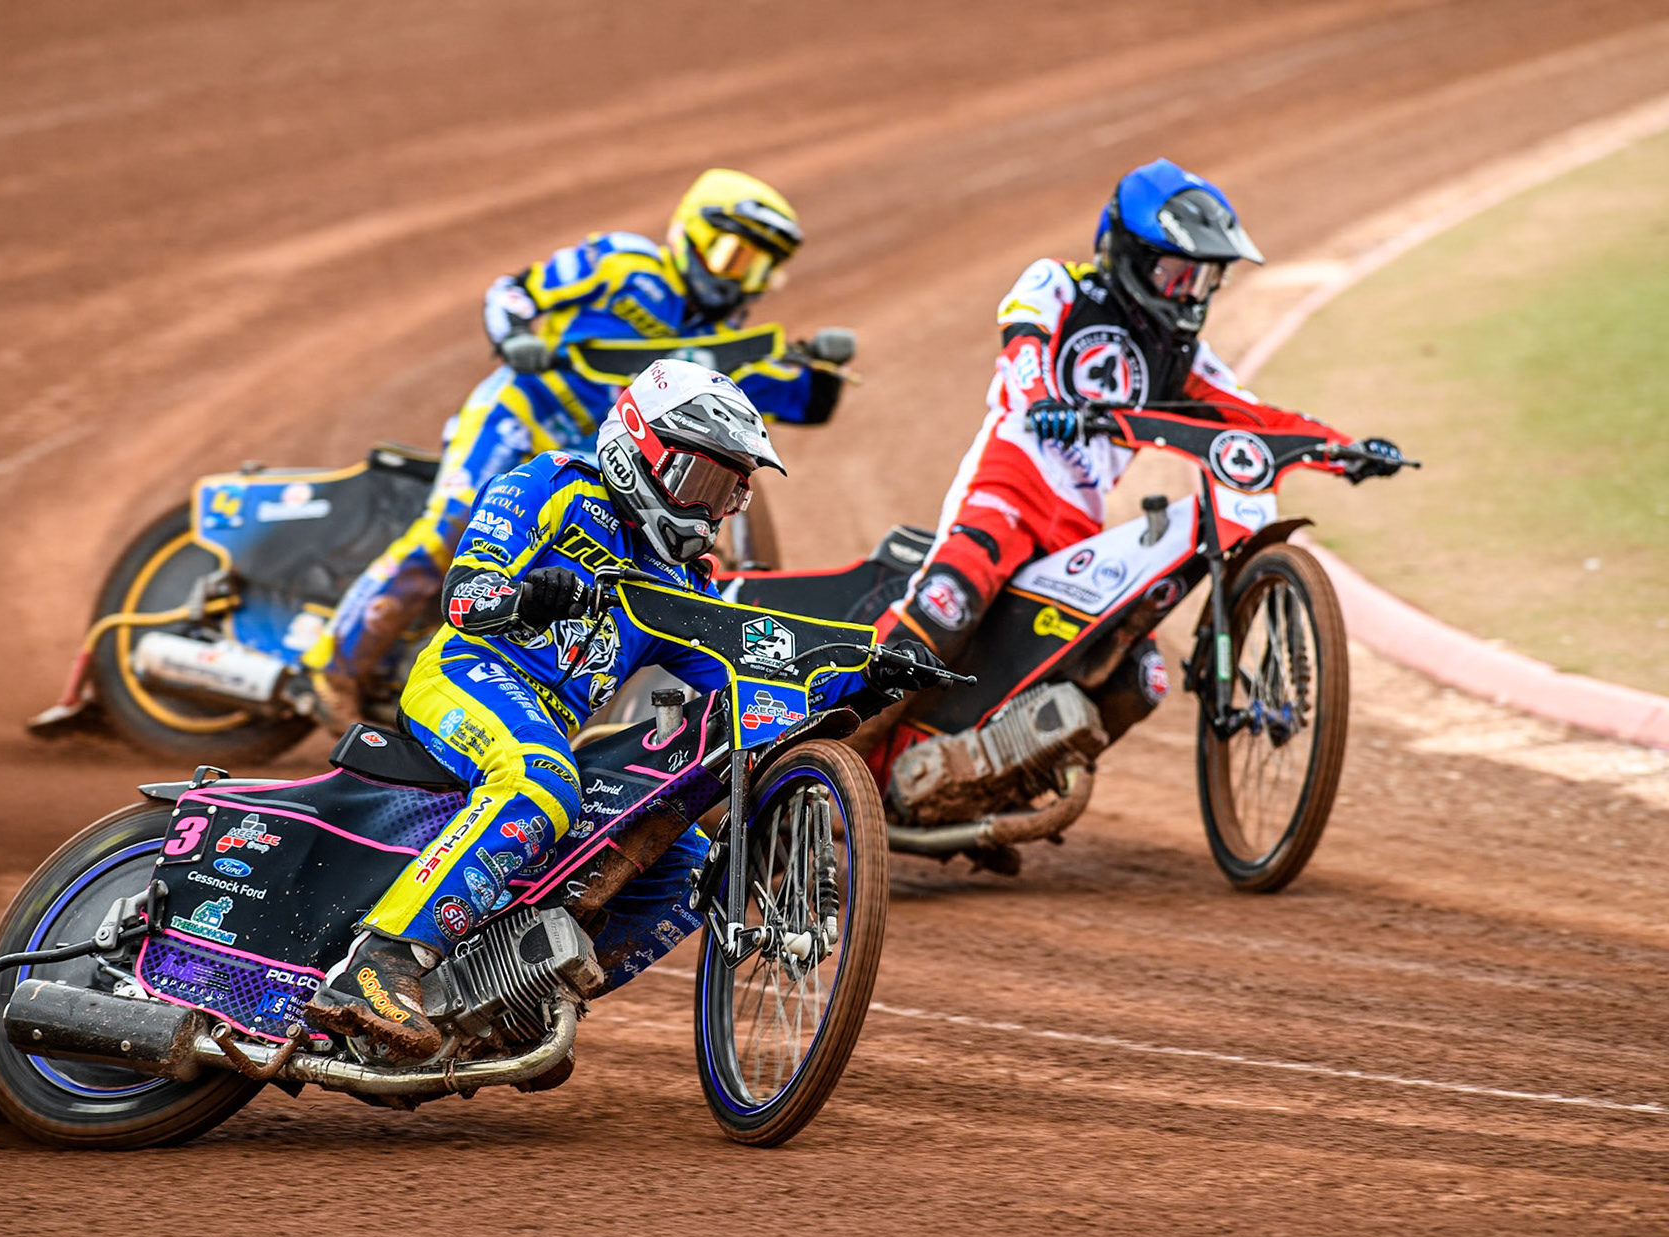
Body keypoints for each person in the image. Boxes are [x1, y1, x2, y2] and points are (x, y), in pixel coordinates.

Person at [305, 360, 938, 1061]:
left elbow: (745, 667)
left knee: (685, 860)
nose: (710, 510)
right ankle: (377, 963)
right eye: (701, 482)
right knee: (541, 779)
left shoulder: (678, 579)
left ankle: (506, 1003)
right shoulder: (550, 484)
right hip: (465, 676)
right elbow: (463, 594)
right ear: (638, 450)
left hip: (546, 726)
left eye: (728, 492)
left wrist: (864, 672)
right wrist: (522, 596)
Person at [306, 169, 857, 725]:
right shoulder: (623, 265)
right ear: (691, 232)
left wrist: (824, 368)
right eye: (733, 254)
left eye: (761, 266)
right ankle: (331, 669)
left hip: (600, 456)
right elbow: (513, 291)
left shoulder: (722, 344)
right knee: (446, 528)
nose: (742, 277)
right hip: (524, 412)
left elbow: (791, 402)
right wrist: (515, 338)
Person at [875, 158, 1403, 735]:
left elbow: (1259, 417)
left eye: (1204, 279)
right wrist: (1045, 396)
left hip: (1078, 524)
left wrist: (1342, 451)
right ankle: (824, 741)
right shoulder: (1060, 285)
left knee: (1139, 676)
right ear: (1130, 254)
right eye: (1178, 274)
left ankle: (1008, 778)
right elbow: (1022, 338)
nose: (1191, 294)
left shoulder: (1183, 361)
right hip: (1008, 486)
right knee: (947, 605)